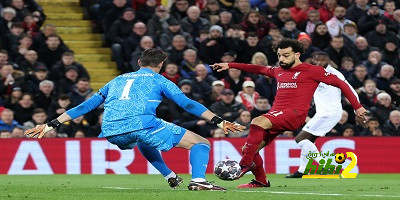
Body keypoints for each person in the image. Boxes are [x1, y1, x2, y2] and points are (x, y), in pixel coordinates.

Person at [24, 49, 244, 191]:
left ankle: (169, 175)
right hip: (142, 123)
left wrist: (52, 123)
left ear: (139, 61)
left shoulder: (118, 79)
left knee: (142, 140)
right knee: (201, 143)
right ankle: (198, 180)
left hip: (110, 130)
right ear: (160, 66)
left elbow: (85, 106)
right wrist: (218, 121)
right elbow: (186, 104)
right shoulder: (160, 79)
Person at [212, 38, 366, 188]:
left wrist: (357, 107)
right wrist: (230, 65)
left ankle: (243, 166)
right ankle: (261, 181)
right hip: (277, 115)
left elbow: (341, 84)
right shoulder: (278, 71)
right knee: (249, 149)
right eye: (279, 55)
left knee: (257, 121)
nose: (281, 59)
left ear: (297, 55)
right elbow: (257, 68)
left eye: (286, 55)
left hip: (295, 114)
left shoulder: (312, 70)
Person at [285, 51, 362, 178]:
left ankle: (326, 165)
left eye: (323, 60)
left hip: (329, 113)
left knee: (300, 139)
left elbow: (351, 91)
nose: (320, 62)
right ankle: (302, 170)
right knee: (309, 141)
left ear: (328, 61)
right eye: (317, 60)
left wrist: (357, 110)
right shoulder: (313, 72)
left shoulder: (335, 74)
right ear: (313, 60)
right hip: (322, 113)